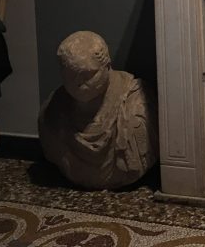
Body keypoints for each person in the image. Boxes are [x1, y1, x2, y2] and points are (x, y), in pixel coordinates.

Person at [39, 31, 157, 189]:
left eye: (88, 75)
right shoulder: (52, 112)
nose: (79, 83)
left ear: (107, 66)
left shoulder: (136, 106)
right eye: (70, 75)